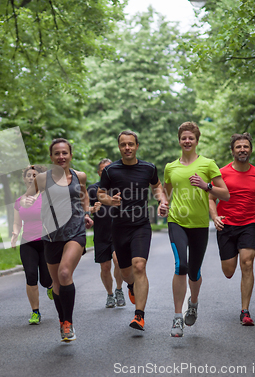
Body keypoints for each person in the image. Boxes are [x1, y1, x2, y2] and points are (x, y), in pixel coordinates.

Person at [159, 121, 230, 337]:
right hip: (176, 221)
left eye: (191, 138)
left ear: (197, 141)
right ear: (179, 141)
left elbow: (225, 194)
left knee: (194, 271)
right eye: (184, 138)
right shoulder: (171, 167)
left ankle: (193, 303)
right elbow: (165, 191)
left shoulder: (208, 164)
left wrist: (206, 186)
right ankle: (177, 317)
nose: (187, 141)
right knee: (181, 264)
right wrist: (163, 203)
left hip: (199, 225)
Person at [21, 138, 93, 342]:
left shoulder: (80, 176)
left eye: (65, 153)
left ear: (70, 155)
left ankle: (68, 323)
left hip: (75, 231)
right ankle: (62, 322)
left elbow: (84, 195)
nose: (61, 157)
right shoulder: (43, 179)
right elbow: (28, 197)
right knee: (56, 284)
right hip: (51, 235)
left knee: (64, 273)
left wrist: (86, 213)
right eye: (57, 153)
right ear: (51, 157)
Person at [97, 131, 165, 331]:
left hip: (141, 225)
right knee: (127, 274)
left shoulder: (148, 168)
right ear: (119, 147)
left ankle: (139, 315)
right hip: (118, 226)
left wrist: (161, 199)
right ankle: (130, 287)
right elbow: (101, 194)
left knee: (139, 266)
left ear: (137, 146)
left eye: (131, 144)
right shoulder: (111, 171)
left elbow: (157, 186)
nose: (127, 148)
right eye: (123, 144)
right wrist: (111, 201)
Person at [208, 132, 255, 326]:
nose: (242, 150)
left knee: (248, 263)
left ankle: (245, 311)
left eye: (246, 146)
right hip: (226, 225)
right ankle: (231, 257)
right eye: (238, 147)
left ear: (250, 149)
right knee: (228, 271)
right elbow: (211, 198)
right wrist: (215, 216)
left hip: (248, 225)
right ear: (232, 150)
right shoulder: (221, 173)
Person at [11, 165, 53, 325]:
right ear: (24, 178)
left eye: (34, 175)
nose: (31, 177)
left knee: (45, 279)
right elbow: (17, 223)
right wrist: (15, 233)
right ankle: (35, 312)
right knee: (31, 276)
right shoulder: (19, 201)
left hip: (45, 242)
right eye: (28, 175)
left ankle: (50, 286)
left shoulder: (47, 197)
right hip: (27, 243)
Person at [87, 158, 125, 308]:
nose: (106, 173)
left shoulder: (120, 189)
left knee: (118, 261)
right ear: (99, 172)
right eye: (103, 170)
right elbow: (85, 208)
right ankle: (110, 294)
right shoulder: (92, 190)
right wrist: (88, 215)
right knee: (105, 267)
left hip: (118, 233)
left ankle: (119, 290)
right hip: (101, 234)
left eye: (109, 169)